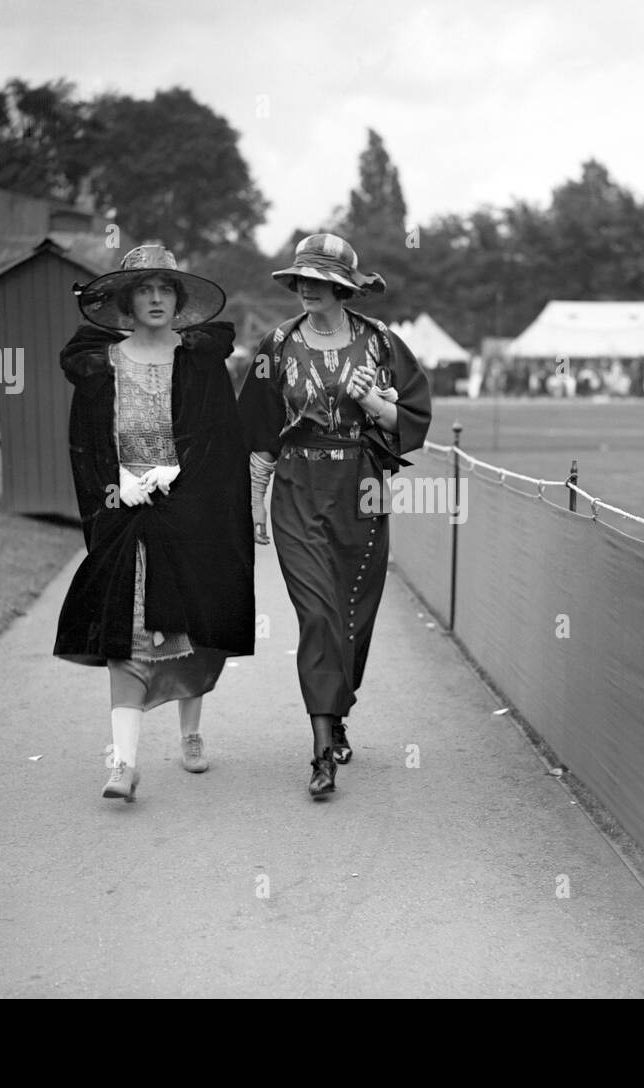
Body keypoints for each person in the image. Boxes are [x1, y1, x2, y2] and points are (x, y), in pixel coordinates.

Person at [53, 242, 255, 803]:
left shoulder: (200, 360)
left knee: (193, 624)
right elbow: (86, 444)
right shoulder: (101, 362)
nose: (157, 298)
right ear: (126, 299)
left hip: (189, 509)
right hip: (126, 513)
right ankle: (123, 763)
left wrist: (181, 478)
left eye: (166, 289)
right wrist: (115, 486)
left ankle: (190, 732)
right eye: (145, 289)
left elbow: (221, 440)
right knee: (129, 631)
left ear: (180, 299)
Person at [238, 233, 431, 799]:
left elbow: (410, 420)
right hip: (297, 489)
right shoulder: (276, 346)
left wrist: (373, 402)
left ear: (342, 288)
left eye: (318, 280)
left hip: (362, 490)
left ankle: (338, 708)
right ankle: (322, 752)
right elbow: (258, 432)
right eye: (300, 279)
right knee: (319, 616)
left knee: (354, 616)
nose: (306, 288)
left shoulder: (381, 344)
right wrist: (255, 498)